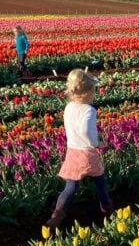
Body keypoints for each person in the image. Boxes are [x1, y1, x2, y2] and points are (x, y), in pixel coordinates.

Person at [46, 69, 113, 228]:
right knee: (100, 182)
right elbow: (85, 130)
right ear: (88, 92)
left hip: (73, 151)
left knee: (71, 187)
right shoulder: (89, 110)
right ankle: (108, 209)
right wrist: (94, 142)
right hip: (87, 152)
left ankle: (57, 214)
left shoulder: (69, 107)